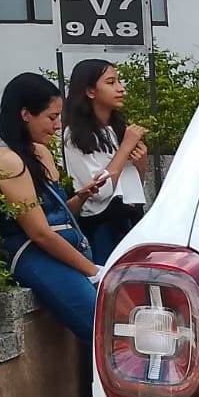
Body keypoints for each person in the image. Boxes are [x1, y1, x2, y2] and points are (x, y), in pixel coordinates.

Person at [0, 74, 109, 345]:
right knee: (103, 330)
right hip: (37, 256)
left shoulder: (39, 152)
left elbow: (56, 216)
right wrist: (93, 271)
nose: (58, 125)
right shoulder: (5, 160)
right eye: (51, 117)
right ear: (25, 114)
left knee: (109, 325)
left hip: (62, 253)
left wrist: (81, 197)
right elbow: (39, 232)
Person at [61, 59, 149, 267]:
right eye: (110, 83)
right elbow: (100, 192)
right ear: (90, 91)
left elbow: (133, 186)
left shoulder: (119, 129)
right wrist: (125, 148)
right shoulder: (75, 135)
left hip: (132, 216)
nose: (120, 88)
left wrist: (141, 163)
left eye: (119, 81)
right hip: (101, 223)